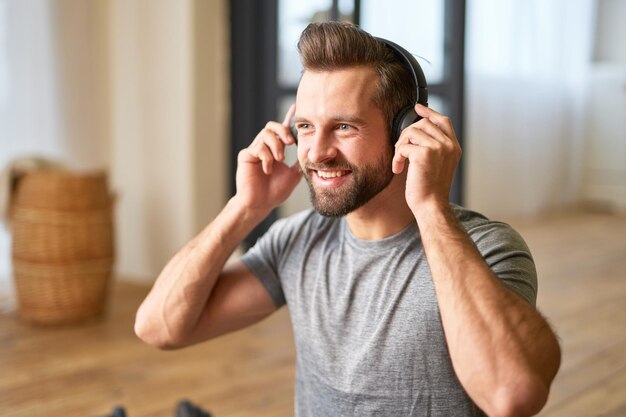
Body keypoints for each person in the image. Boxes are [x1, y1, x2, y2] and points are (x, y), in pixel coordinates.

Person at [135, 22, 561, 417]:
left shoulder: (487, 248)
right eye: (305, 125)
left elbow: (512, 394)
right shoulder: (300, 240)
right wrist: (245, 208)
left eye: (343, 127)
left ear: (405, 132)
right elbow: (159, 328)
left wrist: (431, 207)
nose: (317, 152)